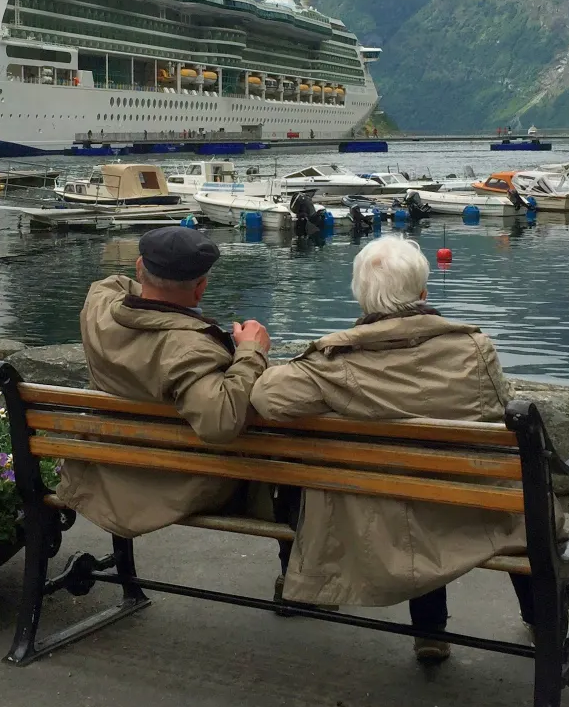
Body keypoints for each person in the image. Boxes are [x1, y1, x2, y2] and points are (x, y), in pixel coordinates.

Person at [250, 237, 534, 666]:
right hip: (471, 509)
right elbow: (497, 410)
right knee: (483, 500)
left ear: (361, 295)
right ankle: (536, 619)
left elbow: (269, 400)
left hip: (373, 518)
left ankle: (429, 630)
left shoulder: (334, 362)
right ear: (423, 294)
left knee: (404, 498)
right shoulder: (475, 349)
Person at [57, 226, 271, 537]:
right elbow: (219, 422)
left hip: (103, 469)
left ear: (139, 268)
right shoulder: (190, 350)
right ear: (201, 288)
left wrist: (154, 287)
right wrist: (252, 351)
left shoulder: (98, 306)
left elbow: (118, 285)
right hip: (167, 486)